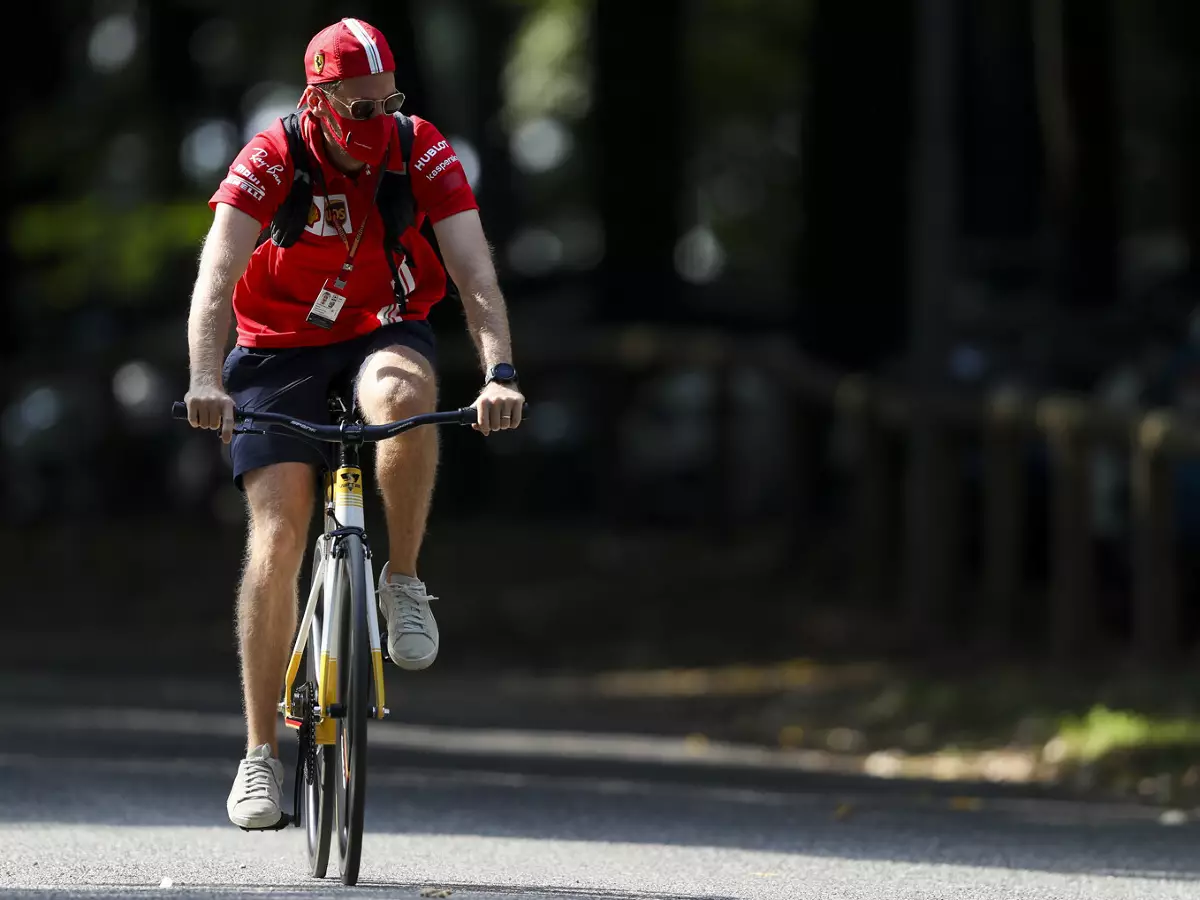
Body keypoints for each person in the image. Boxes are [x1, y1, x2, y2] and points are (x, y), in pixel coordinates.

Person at [182, 17, 525, 830]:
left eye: (389, 102)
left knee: (405, 396)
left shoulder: (418, 146)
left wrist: (499, 372)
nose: (378, 123)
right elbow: (217, 270)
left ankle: (401, 579)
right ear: (320, 99)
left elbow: (474, 269)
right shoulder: (272, 155)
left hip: (382, 324)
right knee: (278, 532)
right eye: (361, 109)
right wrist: (204, 377)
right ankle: (260, 755)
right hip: (277, 347)